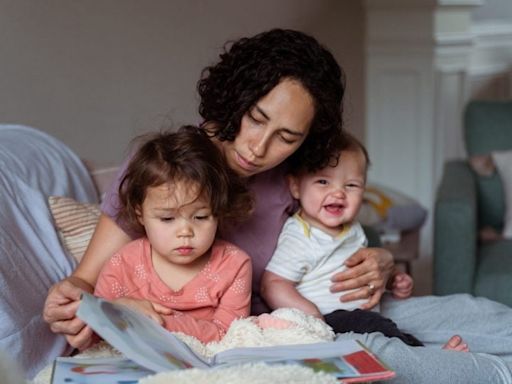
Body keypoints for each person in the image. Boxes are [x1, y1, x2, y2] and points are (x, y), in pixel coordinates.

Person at [43, 28, 512, 383]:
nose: (258, 147)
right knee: (377, 355)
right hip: (274, 333)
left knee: (476, 312)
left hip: (328, 302)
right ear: (235, 97)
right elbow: (88, 281)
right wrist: (73, 301)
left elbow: (336, 225)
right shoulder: (169, 166)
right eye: (255, 119)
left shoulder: (293, 176)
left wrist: (382, 259)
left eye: (286, 137)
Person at [261, 133, 469, 350]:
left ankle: (424, 355)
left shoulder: (353, 229)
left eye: (351, 185)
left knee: (388, 331)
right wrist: (311, 315)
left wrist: (392, 280)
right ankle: (428, 359)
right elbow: (274, 284)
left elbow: (364, 271)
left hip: (361, 316)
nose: (338, 192)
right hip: (329, 320)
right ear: (295, 186)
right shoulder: (301, 235)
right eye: (323, 181)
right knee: (380, 330)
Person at [93, 126, 253, 343]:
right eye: (167, 219)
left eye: (201, 217)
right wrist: (117, 311)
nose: (185, 232)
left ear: (218, 211)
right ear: (141, 214)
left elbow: (232, 337)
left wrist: (158, 322)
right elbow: (93, 329)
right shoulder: (123, 264)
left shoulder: (234, 266)